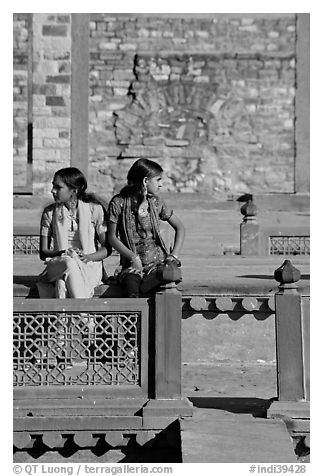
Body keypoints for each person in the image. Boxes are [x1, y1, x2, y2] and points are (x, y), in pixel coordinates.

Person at [107, 158, 185, 297]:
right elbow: (112, 237)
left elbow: (180, 228)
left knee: (170, 274)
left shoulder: (156, 203)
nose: (161, 185)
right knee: (131, 285)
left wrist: (173, 255)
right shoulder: (118, 203)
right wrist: (133, 257)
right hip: (132, 266)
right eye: (158, 180)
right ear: (145, 181)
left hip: (156, 264)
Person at [37, 167, 111, 298]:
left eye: (58, 187)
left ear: (74, 190)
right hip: (59, 263)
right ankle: (85, 317)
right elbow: (44, 253)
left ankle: (64, 318)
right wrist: (63, 253)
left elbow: (107, 249)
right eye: (53, 186)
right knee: (69, 262)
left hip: (89, 265)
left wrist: (87, 257)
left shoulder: (95, 210)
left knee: (61, 284)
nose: (52, 191)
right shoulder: (49, 213)